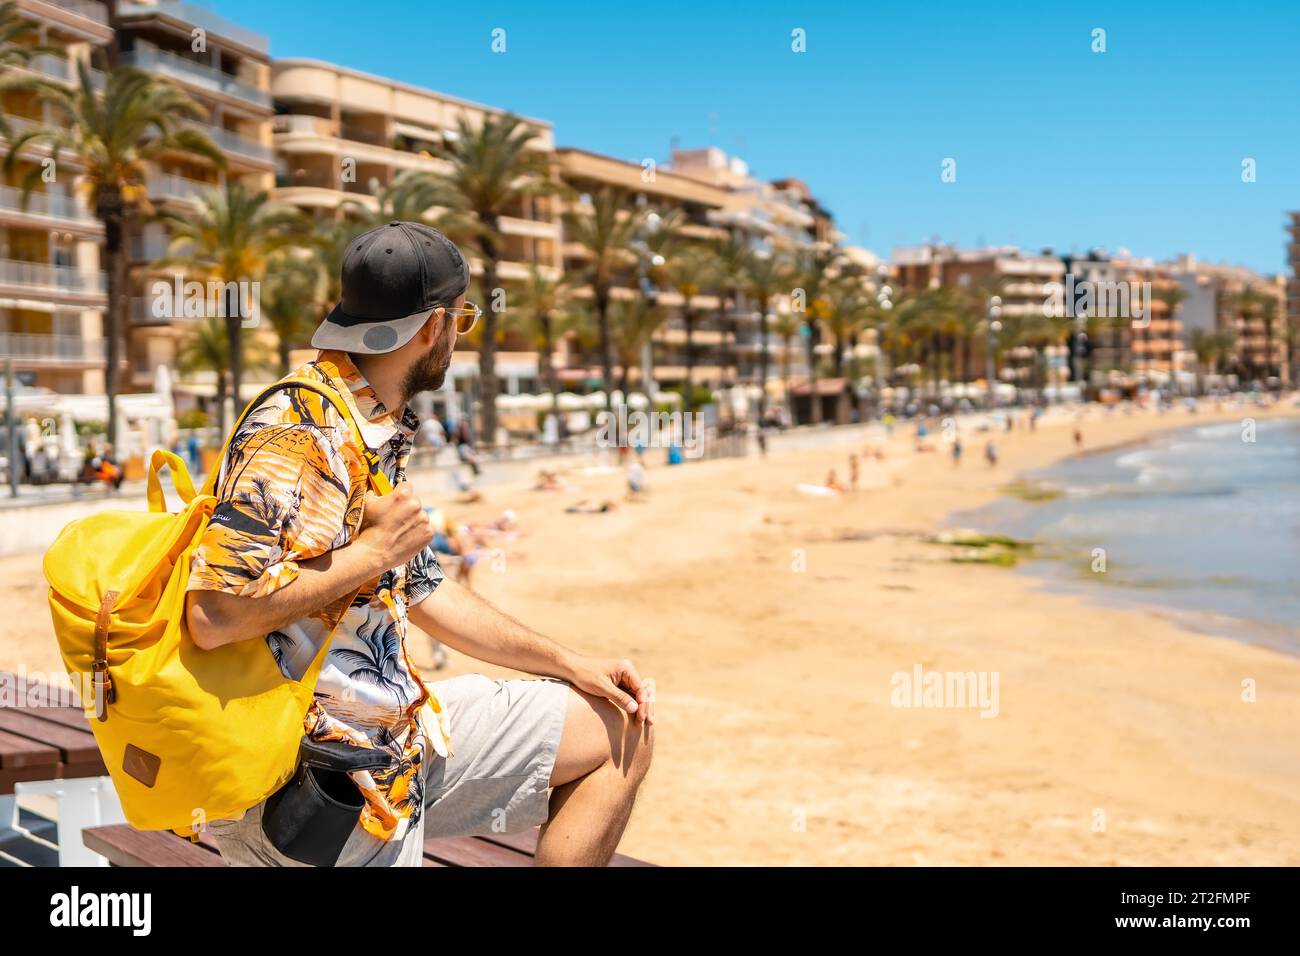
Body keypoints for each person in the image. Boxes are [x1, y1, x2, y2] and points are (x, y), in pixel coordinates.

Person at [185, 222, 653, 868]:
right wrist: (375, 553)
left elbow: (423, 589)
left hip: (393, 740)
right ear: (433, 327)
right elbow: (215, 614)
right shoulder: (296, 431)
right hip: (316, 791)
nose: (458, 337)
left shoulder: (368, 422)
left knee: (618, 724)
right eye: (462, 319)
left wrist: (570, 662)